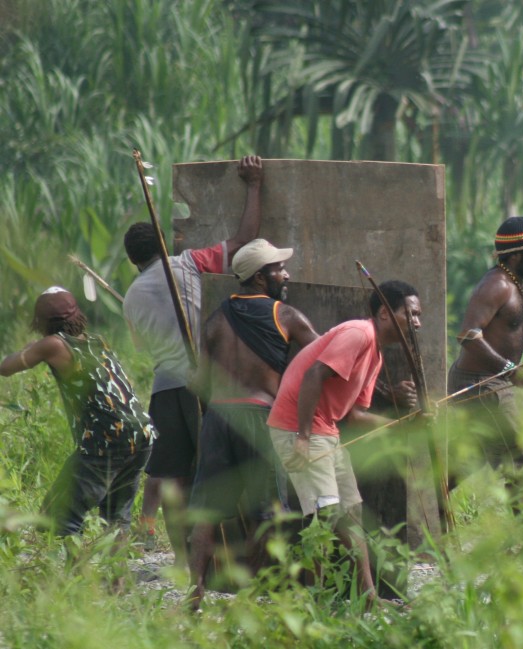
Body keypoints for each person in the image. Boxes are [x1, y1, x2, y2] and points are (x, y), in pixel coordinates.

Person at [123, 154, 264, 560]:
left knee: (172, 477)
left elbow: (144, 348)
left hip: (165, 390)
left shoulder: (131, 297)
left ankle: (184, 559)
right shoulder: (186, 264)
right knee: (220, 470)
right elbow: (244, 241)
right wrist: (253, 186)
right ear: (164, 244)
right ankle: (237, 556)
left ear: (134, 260)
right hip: (202, 383)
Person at [267, 280, 421, 608]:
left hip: (327, 430)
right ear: (384, 314)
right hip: (299, 428)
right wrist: (303, 438)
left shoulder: (375, 353)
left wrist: (405, 425)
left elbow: (358, 415)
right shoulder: (358, 334)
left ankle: (368, 597)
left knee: (350, 513)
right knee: (324, 515)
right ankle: (314, 601)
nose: (418, 322)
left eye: (419, 315)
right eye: (411, 314)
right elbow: (313, 376)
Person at [185, 239, 319, 610]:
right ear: (261, 277)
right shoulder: (286, 316)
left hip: (217, 419)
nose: (286, 273)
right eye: (279, 268)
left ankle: (195, 590)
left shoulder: (216, 317)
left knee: (207, 513)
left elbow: (198, 381)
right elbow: (326, 362)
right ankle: (254, 592)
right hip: (259, 419)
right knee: (270, 512)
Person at [0, 288, 155, 539]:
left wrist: (34, 346)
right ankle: (118, 578)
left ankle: (73, 574)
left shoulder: (52, 344)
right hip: (140, 433)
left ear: (40, 322)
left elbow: (6, 368)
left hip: (107, 438)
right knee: (116, 519)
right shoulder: (95, 340)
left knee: (61, 515)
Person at [446, 216, 523, 508]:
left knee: (478, 454)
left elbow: (513, 329)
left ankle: (430, 496)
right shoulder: (497, 285)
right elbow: (468, 335)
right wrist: (510, 370)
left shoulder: (515, 284)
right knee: (520, 461)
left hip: (489, 381)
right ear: (517, 255)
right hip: (481, 385)